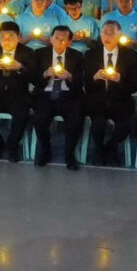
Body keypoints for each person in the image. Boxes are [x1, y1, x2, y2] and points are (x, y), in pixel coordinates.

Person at [82, 20, 137, 166]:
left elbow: (133, 86)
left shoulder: (130, 55)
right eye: (104, 33)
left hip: (120, 99)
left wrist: (120, 79)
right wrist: (95, 77)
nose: (107, 36)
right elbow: (87, 86)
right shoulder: (90, 54)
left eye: (111, 33)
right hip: (97, 99)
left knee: (127, 122)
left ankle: (112, 145)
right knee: (98, 123)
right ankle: (99, 149)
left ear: (119, 35)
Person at [0, 21, 37, 162]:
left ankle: (12, 145)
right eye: (3, 36)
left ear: (19, 37)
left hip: (18, 94)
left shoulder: (27, 52)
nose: (7, 40)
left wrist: (20, 68)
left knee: (21, 115)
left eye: (11, 37)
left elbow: (35, 78)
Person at [30, 25, 85, 170]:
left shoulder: (77, 56)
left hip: (69, 95)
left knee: (75, 120)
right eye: (56, 38)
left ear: (69, 42)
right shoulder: (39, 53)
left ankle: (69, 154)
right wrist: (44, 74)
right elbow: (32, 79)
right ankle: (45, 149)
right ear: (50, 39)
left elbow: (81, 82)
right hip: (46, 94)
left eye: (64, 40)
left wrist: (70, 77)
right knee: (40, 119)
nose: (60, 42)